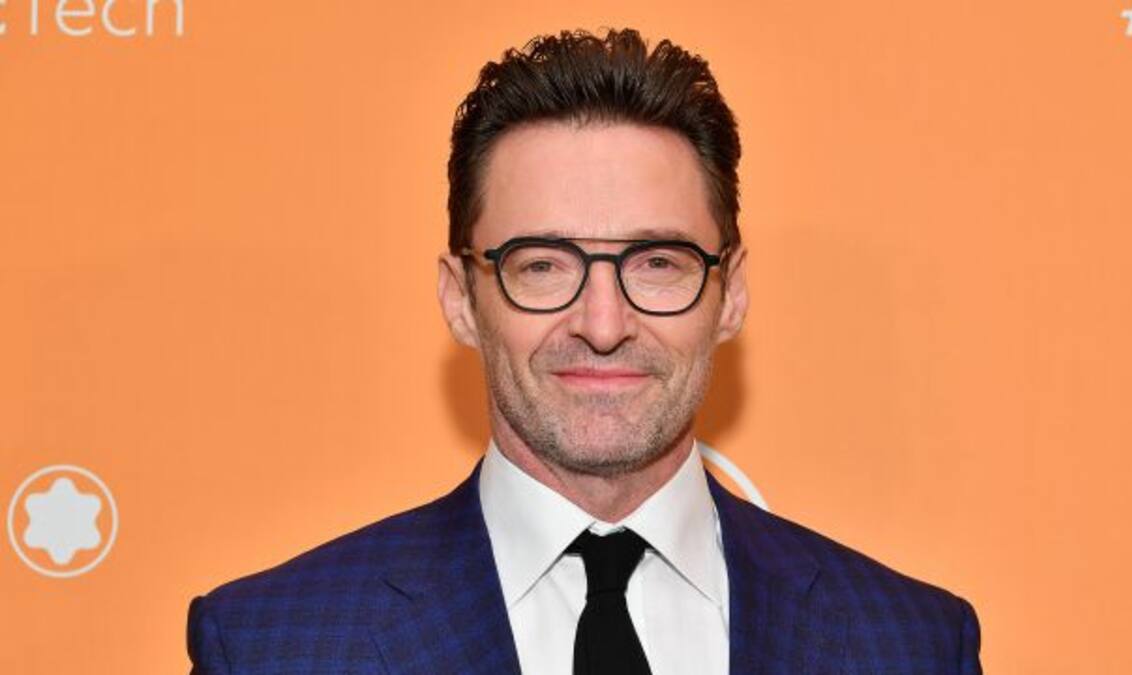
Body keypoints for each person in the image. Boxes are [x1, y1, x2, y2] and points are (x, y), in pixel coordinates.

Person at [187, 27, 983, 674]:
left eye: (658, 262)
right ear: (461, 298)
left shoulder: (910, 646)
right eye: (543, 265)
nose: (603, 323)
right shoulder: (270, 648)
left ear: (731, 292)